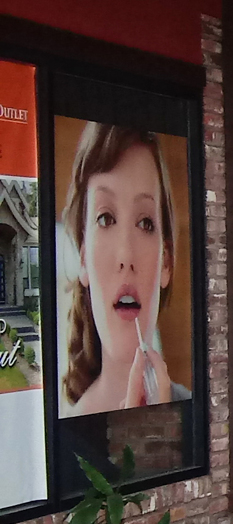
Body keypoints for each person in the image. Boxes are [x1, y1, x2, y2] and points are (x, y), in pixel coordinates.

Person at [59, 123, 188, 414]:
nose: (125, 256)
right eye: (105, 219)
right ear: (83, 259)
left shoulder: (194, 411)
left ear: (165, 261)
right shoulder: (70, 442)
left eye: (145, 223)